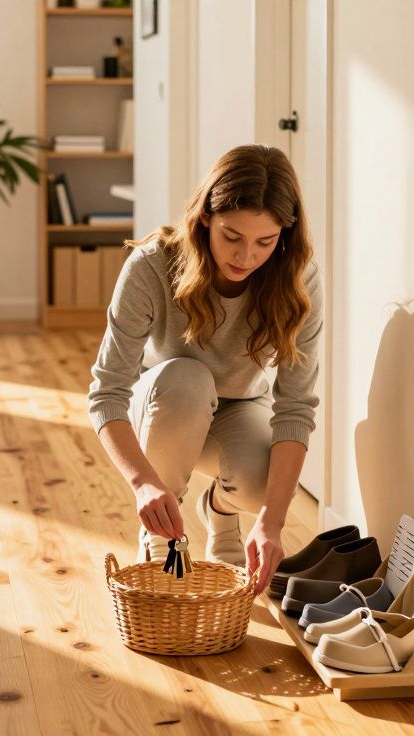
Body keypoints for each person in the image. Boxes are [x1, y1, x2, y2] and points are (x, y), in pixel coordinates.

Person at [88, 144, 323, 594]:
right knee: (188, 379)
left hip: (239, 406)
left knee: (262, 488)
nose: (245, 257)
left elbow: (295, 407)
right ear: (204, 221)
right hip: (162, 401)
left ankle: (220, 510)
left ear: (285, 237)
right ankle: (161, 529)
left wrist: (272, 525)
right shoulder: (152, 265)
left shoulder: (300, 279)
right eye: (231, 236)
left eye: (265, 242)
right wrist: (143, 485)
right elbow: (106, 393)